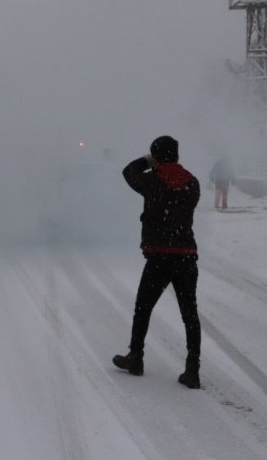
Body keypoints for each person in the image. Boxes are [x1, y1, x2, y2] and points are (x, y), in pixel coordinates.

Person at [113, 135, 202, 388]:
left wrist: (146, 161)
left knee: (143, 308)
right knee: (190, 314)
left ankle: (136, 357)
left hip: (159, 256)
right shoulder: (192, 183)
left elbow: (128, 171)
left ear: (155, 157)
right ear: (176, 155)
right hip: (186, 255)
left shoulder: (151, 181)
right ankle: (192, 369)